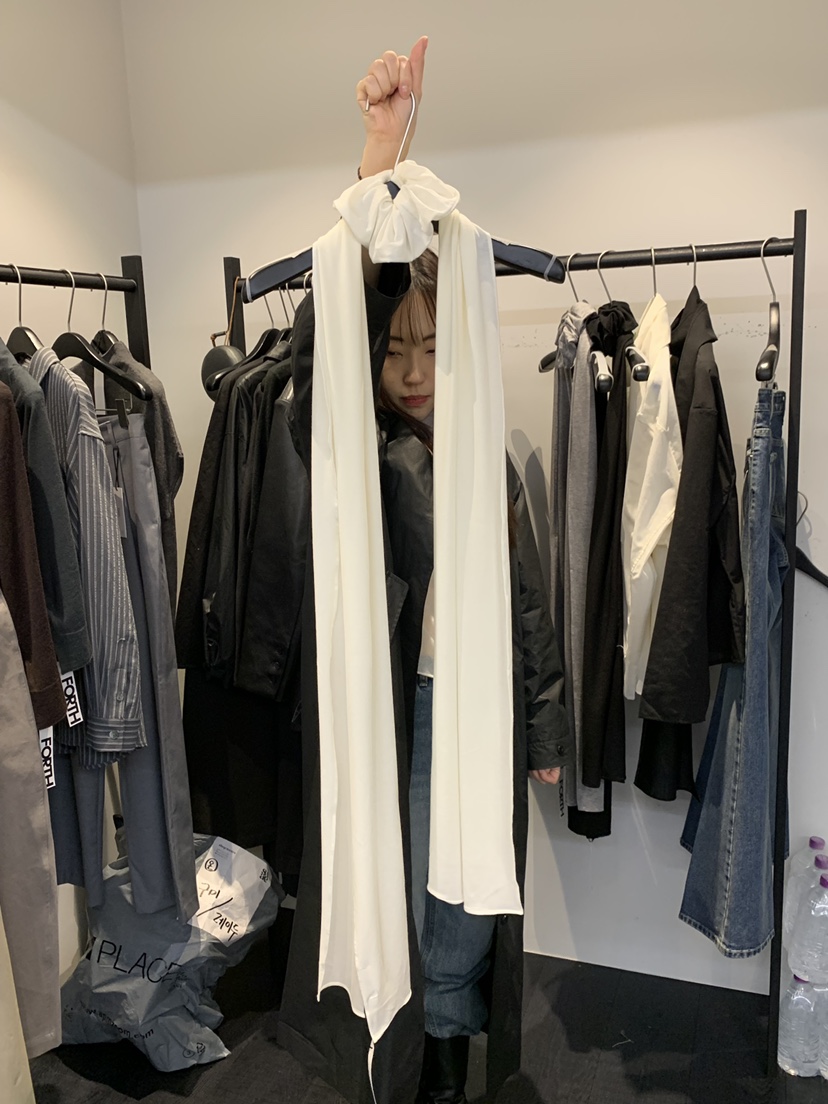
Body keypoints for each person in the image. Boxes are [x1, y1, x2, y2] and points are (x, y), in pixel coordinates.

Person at [278, 39, 572, 1104]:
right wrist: (381, 158)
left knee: (465, 901)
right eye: (394, 348)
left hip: (475, 705)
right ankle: (414, 1058)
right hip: (401, 704)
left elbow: (525, 595)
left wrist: (545, 728)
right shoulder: (364, 450)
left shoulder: (483, 453)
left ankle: (446, 1064)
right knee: (404, 886)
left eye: (430, 348)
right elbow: (323, 356)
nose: (410, 370)